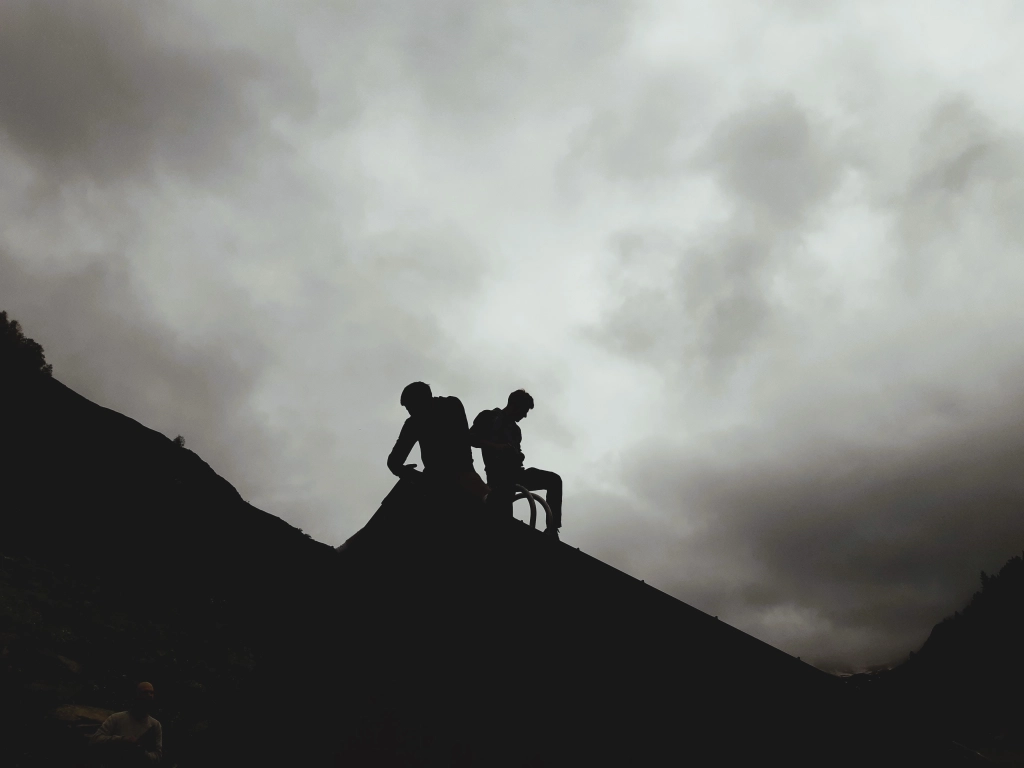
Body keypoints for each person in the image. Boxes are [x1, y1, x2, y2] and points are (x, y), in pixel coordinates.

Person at [470, 389, 562, 539]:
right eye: (524, 411)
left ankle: (552, 529)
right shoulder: (488, 417)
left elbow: (516, 453)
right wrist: (497, 447)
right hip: (498, 478)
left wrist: (518, 455)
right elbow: (470, 438)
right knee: (504, 522)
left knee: (554, 480)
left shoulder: (515, 430)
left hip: (517, 474)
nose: (525, 415)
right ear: (514, 406)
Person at [387, 381, 488, 504]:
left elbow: (462, 439)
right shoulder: (415, 422)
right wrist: (410, 474)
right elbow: (393, 462)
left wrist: (410, 474)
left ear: (422, 400)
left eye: (411, 407)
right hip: (442, 478)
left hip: (457, 475)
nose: (410, 412)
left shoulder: (449, 406)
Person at [89, 681, 162, 765]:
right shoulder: (116, 718)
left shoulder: (155, 725)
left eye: (151, 692)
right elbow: (95, 740)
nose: (149, 695)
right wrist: (122, 740)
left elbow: (157, 756)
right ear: (136, 695)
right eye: (145, 692)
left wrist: (142, 752)